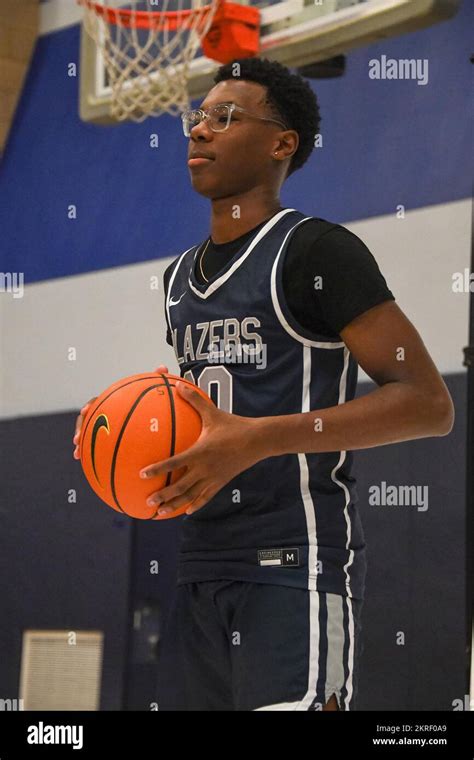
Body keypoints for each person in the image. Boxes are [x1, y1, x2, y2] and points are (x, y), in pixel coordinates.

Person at [73, 57, 454, 711]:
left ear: (282, 144)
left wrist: (256, 440)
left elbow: (428, 404)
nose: (199, 131)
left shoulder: (316, 253)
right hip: (198, 564)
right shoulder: (176, 280)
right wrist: (118, 429)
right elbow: (199, 411)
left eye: (225, 118)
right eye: (198, 117)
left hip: (294, 564)